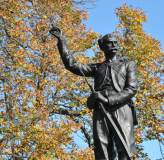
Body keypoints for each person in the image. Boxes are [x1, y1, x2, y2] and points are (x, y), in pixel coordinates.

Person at [49, 26, 138, 160]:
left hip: (121, 108)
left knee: (125, 147)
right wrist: (61, 40)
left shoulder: (128, 65)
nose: (114, 45)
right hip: (100, 109)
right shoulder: (96, 68)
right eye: (110, 43)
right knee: (102, 149)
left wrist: (108, 100)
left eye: (115, 43)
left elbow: (131, 89)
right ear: (102, 46)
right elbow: (71, 64)